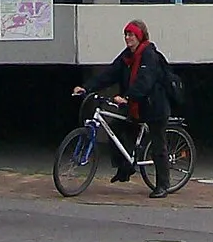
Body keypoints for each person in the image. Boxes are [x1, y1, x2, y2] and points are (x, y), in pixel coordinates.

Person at [74, 19, 172, 197]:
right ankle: (124, 168)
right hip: (135, 106)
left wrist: (127, 97)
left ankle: (163, 185)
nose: (128, 38)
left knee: (158, 145)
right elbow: (109, 73)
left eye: (131, 34)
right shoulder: (127, 55)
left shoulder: (149, 55)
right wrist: (87, 87)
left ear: (140, 36)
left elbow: (145, 81)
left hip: (153, 106)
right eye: (126, 34)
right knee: (115, 130)